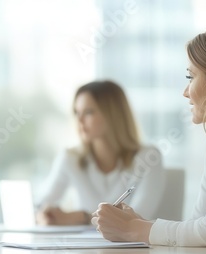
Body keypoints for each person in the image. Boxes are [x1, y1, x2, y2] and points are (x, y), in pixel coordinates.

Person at [92, 21, 206, 247]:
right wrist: (141, 226)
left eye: (191, 77)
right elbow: (199, 225)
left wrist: (136, 229)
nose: (186, 91)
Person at [37, 81, 166, 225]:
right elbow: (41, 205)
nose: (79, 120)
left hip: (130, 247)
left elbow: (136, 220)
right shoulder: (70, 158)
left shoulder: (149, 157)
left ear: (112, 114)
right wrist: (45, 215)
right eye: (77, 113)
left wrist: (83, 217)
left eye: (88, 112)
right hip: (83, 247)